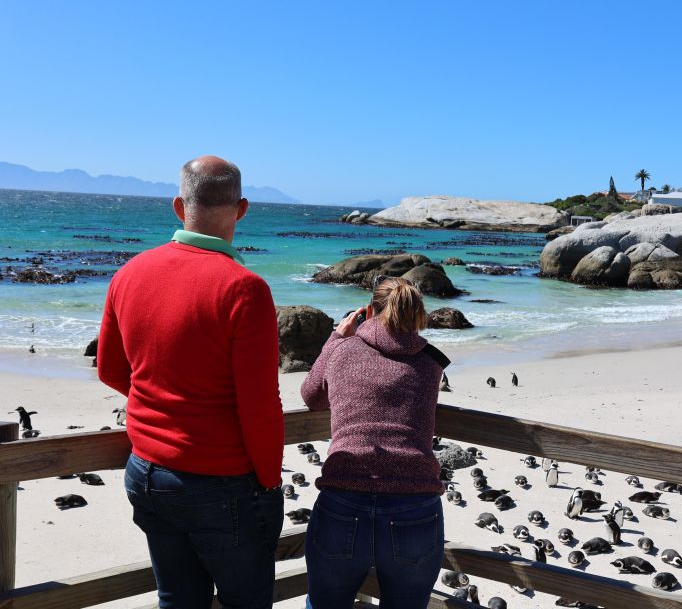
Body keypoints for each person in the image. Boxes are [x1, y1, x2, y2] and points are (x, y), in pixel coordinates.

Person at [97, 156, 284, 609]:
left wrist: (165, 404)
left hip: (146, 471)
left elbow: (109, 369)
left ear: (179, 206)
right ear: (241, 209)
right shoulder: (244, 288)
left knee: (178, 600)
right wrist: (270, 481)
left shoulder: (129, 273)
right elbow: (259, 406)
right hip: (222, 480)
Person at [300, 277, 446, 609]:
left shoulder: (343, 349)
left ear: (368, 310)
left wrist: (337, 337)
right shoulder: (431, 361)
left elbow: (312, 397)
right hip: (415, 498)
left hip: (344, 494)